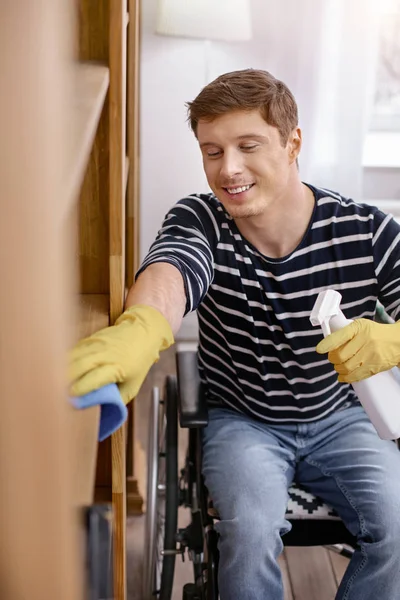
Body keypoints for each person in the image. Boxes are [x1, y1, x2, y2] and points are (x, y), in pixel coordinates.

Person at [69, 69, 400, 600]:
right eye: (212, 151)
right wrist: (142, 326)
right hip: (245, 420)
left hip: (343, 419)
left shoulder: (364, 230)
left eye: (248, 146)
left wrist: (394, 339)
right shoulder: (202, 219)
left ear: (293, 142)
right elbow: (172, 273)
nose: (230, 170)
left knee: (399, 529)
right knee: (245, 535)